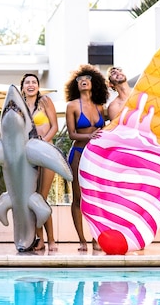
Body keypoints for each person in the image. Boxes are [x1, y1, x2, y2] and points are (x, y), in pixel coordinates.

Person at [106, 66, 160, 252]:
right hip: (134, 156)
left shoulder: (144, 93)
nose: (117, 72)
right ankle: (137, 237)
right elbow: (119, 134)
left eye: (118, 70)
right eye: (112, 74)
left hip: (156, 150)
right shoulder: (114, 107)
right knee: (136, 198)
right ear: (111, 83)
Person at [64, 64, 109, 251]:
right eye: (79, 79)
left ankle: (96, 237)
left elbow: (105, 130)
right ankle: (82, 239)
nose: (83, 81)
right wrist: (89, 136)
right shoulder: (72, 106)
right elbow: (72, 134)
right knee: (78, 198)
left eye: (88, 78)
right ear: (76, 85)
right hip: (79, 153)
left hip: (97, 156)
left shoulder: (100, 107)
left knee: (97, 198)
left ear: (94, 83)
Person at [20, 73, 59, 251]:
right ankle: (39, 239)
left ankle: (51, 239)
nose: (31, 85)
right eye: (27, 82)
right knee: (31, 199)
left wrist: (43, 143)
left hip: (46, 152)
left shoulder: (45, 102)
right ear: (23, 87)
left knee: (41, 198)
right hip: (28, 156)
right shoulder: (19, 107)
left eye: (34, 82)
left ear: (37, 86)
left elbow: (54, 127)